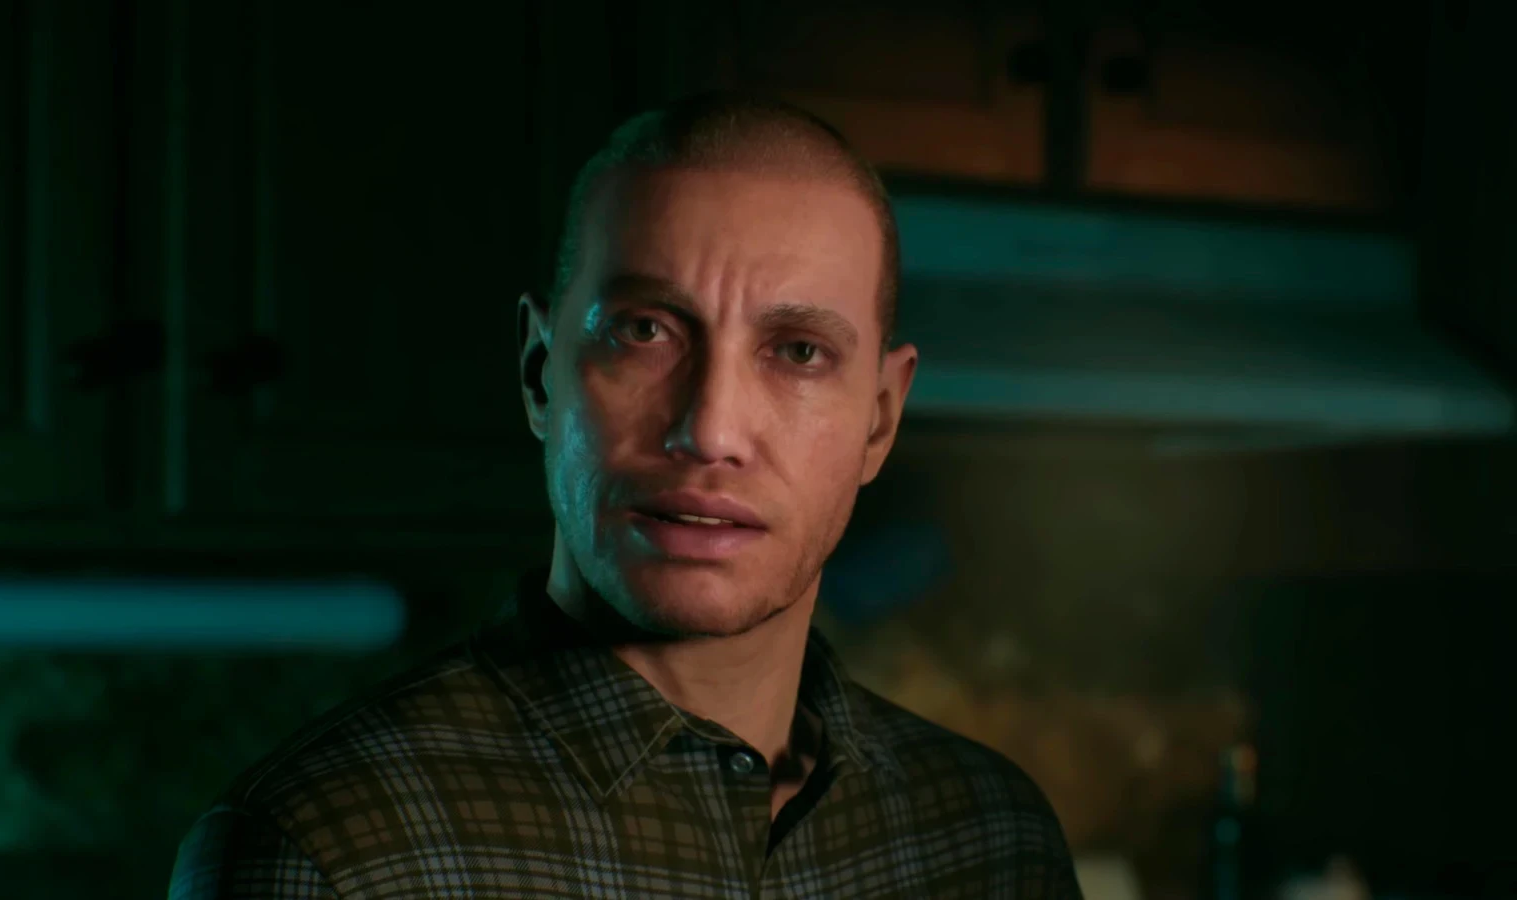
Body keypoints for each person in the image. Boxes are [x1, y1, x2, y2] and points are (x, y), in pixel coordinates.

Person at [168, 91, 1081, 899]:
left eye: (798, 352)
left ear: (879, 420)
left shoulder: (991, 839)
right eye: (645, 331)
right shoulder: (325, 855)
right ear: (540, 373)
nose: (711, 430)